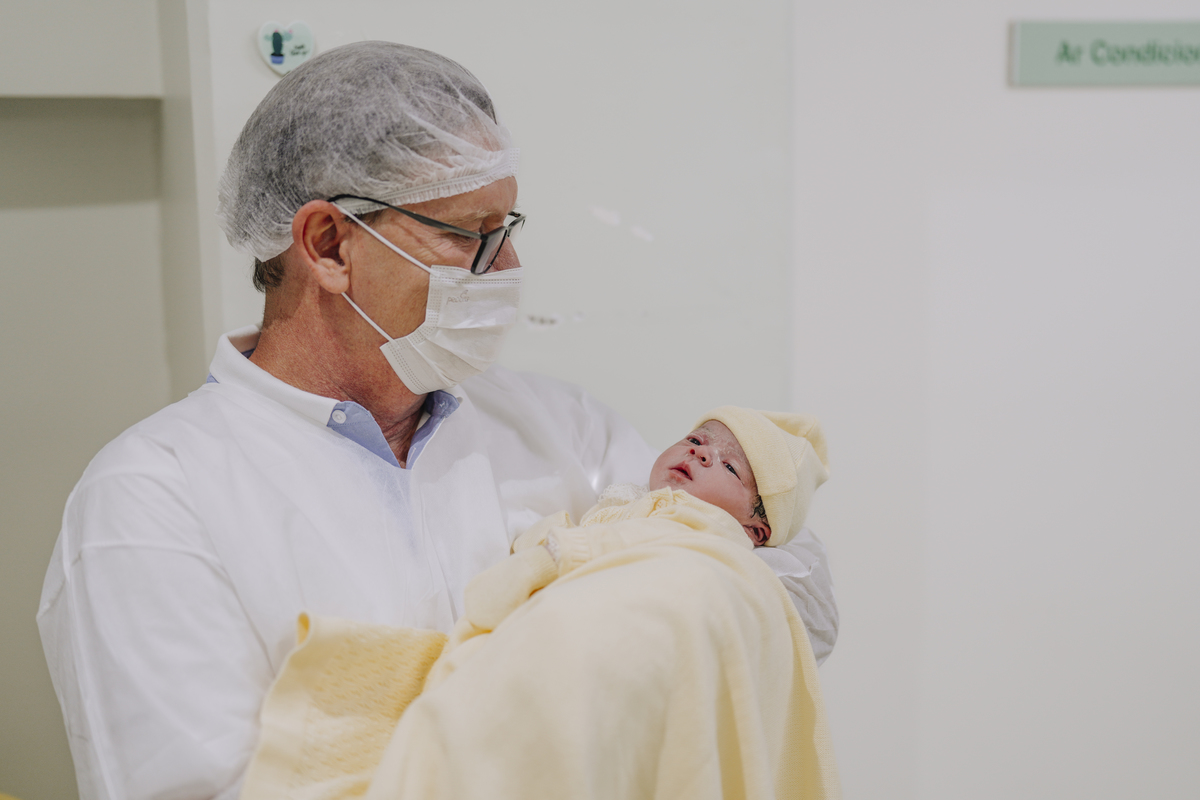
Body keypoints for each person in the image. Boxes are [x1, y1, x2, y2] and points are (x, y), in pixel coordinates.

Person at [37, 41, 838, 800]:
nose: (508, 269)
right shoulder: (150, 500)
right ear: (329, 244)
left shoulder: (565, 430)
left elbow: (792, 604)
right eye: (474, 236)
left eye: (508, 230)